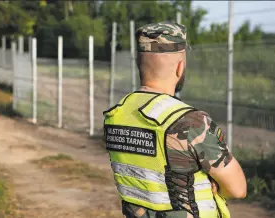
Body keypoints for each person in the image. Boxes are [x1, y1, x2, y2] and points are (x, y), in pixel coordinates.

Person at [103, 21, 247, 218]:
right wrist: (211, 183)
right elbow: (237, 188)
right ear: (180, 67)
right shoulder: (190, 122)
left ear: (139, 64)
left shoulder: (115, 115)